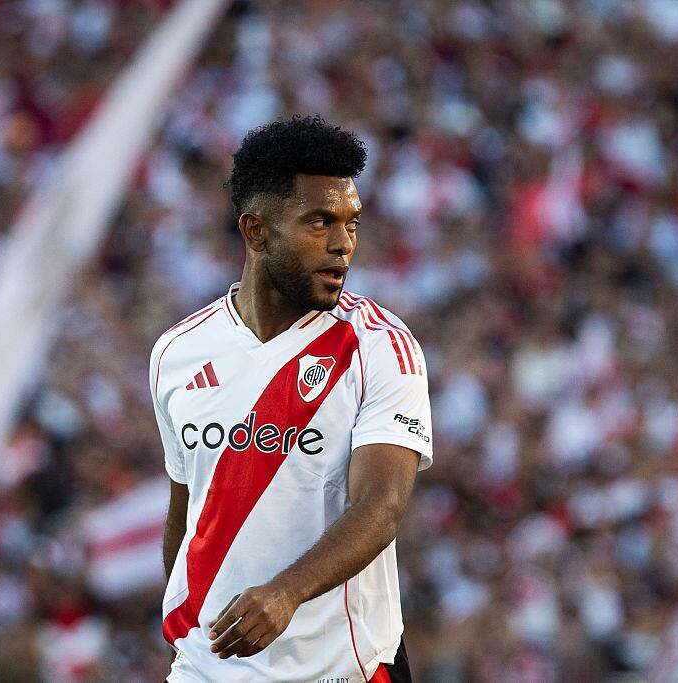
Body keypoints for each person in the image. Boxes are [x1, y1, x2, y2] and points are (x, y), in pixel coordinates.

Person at [149, 115, 433, 682]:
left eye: (352, 223)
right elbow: (188, 507)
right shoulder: (177, 352)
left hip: (340, 670)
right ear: (256, 232)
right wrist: (188, 625)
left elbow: (382, 507)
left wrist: (286, 593)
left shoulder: (379, 345)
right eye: (320, 221)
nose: (342, 244)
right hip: (210, 670)